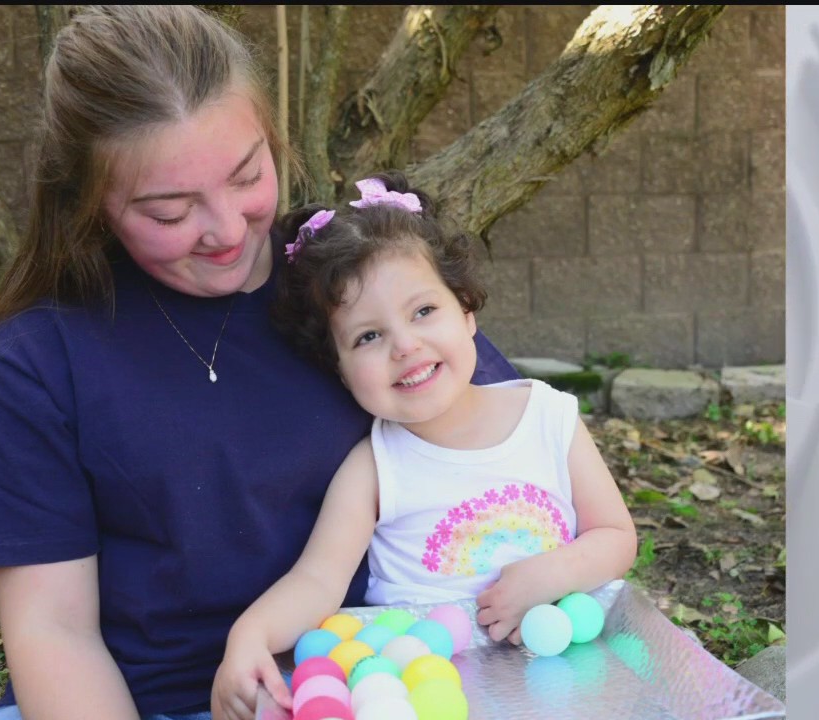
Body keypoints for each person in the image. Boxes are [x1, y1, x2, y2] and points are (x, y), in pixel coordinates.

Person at [0, 7, 520, 720]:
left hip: (384, 685)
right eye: (168, 212)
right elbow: (54, 632)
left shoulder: (359, 284)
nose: (224, 232)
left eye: (248, 174)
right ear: (91, 204)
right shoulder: (31, 364)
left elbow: (515, 474)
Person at [210, 173, 638, 720]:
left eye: (423, 312)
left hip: (564, 673)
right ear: (338, 370)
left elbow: (617, 535)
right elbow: (316, 581)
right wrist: (248, 637)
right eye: (368, 336)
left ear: (467, 311)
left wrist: (552, 574)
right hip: (426, 686)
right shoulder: (376, 467)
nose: (405, 346)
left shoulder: (546, 416)